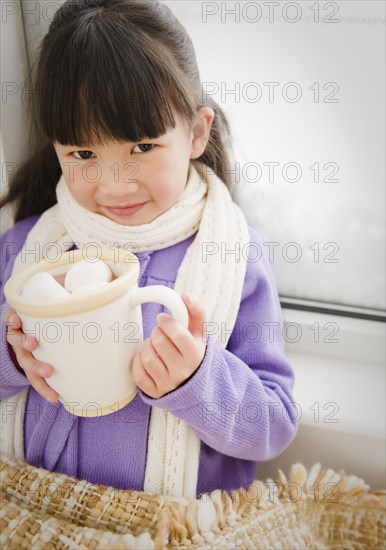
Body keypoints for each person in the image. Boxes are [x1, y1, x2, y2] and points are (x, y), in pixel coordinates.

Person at [0, 0, 298, 499]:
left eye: (142, 147)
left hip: (168, 525)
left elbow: (273, 424)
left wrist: (198, 381)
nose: (115, 184)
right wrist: (11, 355)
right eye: (83, 154)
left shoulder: (232, 257)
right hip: (37, 511)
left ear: (197, 133)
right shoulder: (26, 249)